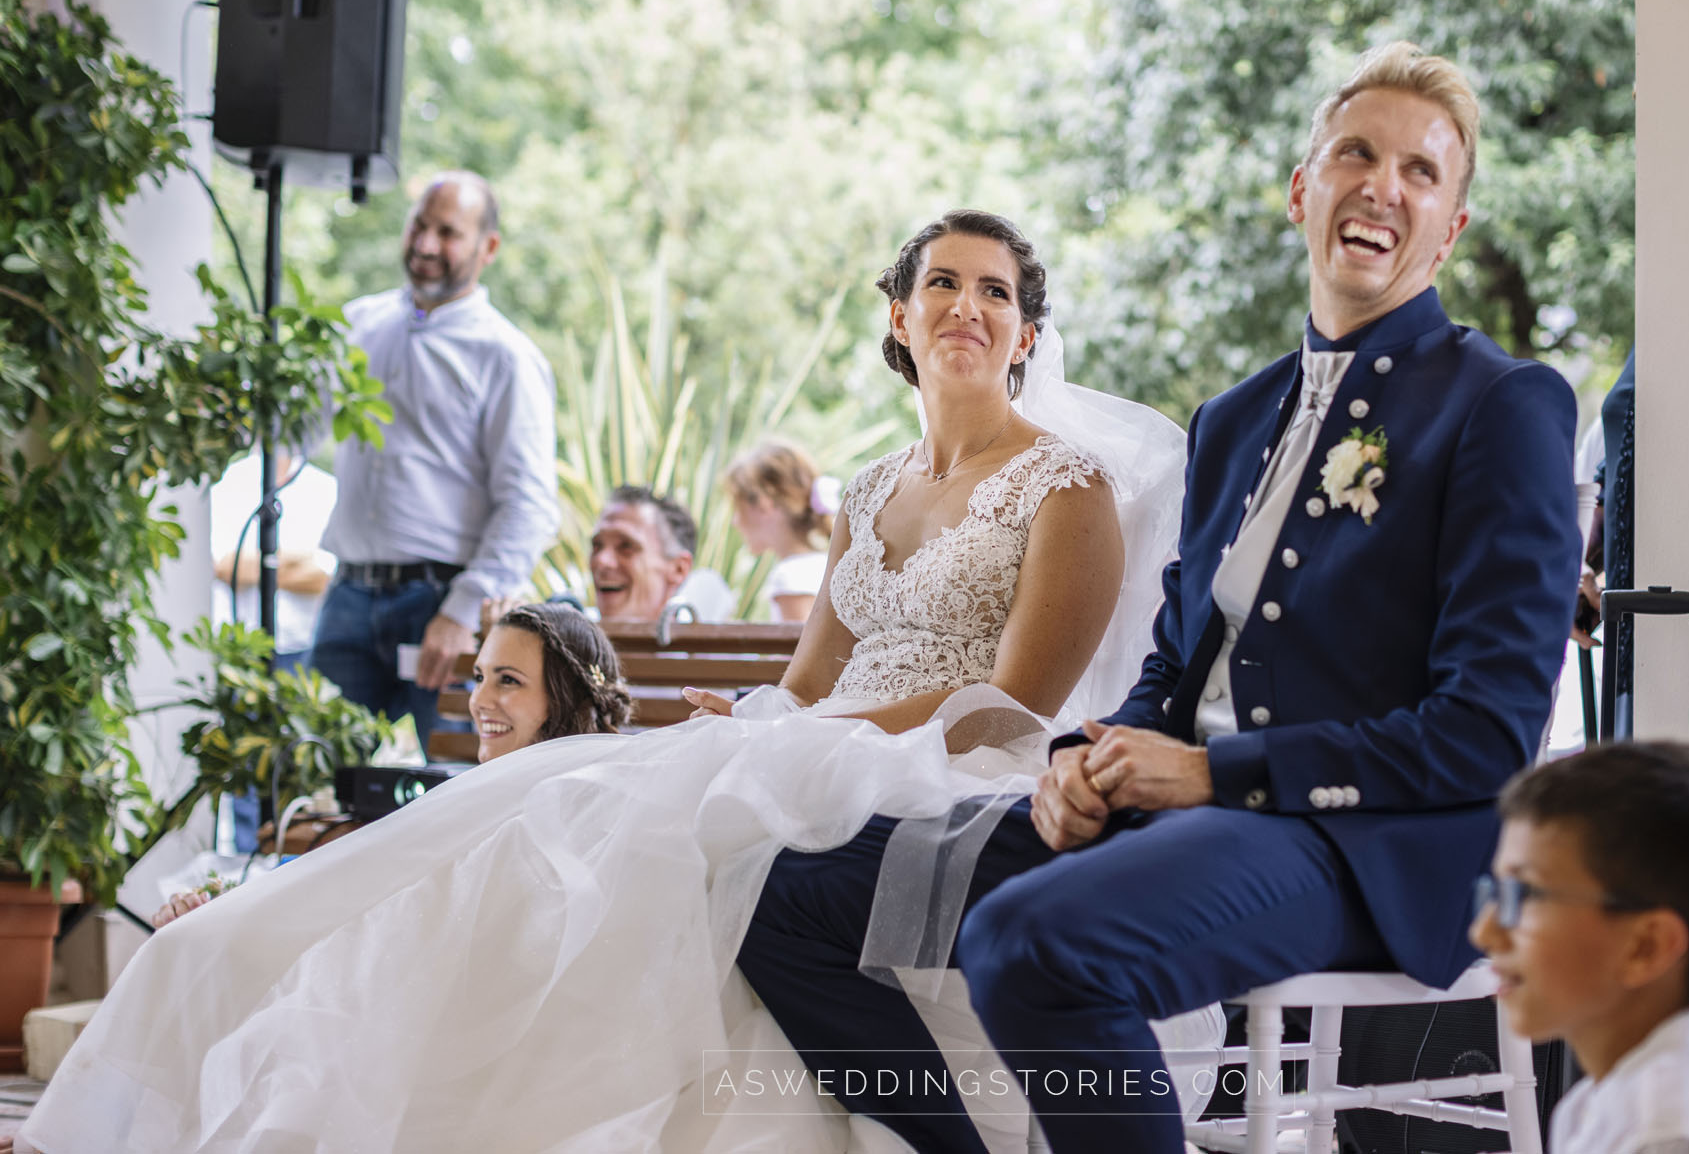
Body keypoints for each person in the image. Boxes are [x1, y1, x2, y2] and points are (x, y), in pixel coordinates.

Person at [16, 210, 1191, 1154]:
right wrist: (758, 719)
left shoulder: (1066, 485)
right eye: (944, 282)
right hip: (821, 744)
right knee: (550, 806)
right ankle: (314, 999)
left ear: (1027, 334)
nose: (968, 307)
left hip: (954, 761)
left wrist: (793, 736)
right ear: (898, 313)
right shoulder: (871, 486)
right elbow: (812, 673)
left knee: (665, 830)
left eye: (996, 292)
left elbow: (1015, 702)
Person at [735, 42, 1583, 1153]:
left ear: (1449, 228)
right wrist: (1087, 761)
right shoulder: (1236, 417)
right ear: (1301, 190)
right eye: (1353, 154)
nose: (1383, 184)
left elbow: (1487, 731)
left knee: (1036, 941)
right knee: (784, 899)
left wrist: (1212, 770)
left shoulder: (1502, 405)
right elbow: (1176, 664)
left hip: (1363, 841)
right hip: (1176, 809)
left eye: (1421, 172)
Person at [145, 604, 632, 932]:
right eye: (478, 677)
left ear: (564, 695)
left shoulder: (593, 816)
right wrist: (229, 908)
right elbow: (362, 878)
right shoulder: (471, 796)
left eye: (508, 680)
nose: (479, 700)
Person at [309, 171, 559, 756]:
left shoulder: (506, 355)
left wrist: (461, 611)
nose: (424, 244)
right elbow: (292, 430)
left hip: (441, 605)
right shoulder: (355, 326)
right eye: (419, 224)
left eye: (447, 232)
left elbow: (528, 504)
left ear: (487, 248)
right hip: (347, 593)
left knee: (454, 794)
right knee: (311, 780)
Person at [1473, 742, 1689, 1153]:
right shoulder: (1590, 1106)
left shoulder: (1671, 1132)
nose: (1484, 932)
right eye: (1495, 893)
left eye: (1525, 895)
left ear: (1646, 947)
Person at [209, 446, 337, 670]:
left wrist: (263, 565)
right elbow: (225, 567)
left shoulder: (324, 487)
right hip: (240, 648)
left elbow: (325, 578)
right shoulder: (230, 481)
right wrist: (297, 560)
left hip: (302, 647)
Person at [588, 485, 735, 624]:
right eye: (597, 546)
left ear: (679, 568)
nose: (601, 561)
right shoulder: (570, 642)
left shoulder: (713, 649)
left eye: (626, 547)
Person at [724, 438, 835, 621]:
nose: (735, 522)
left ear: (763, 504)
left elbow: (800, 649)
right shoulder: (826, 564)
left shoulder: (790, 577)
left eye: (738, 507)